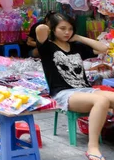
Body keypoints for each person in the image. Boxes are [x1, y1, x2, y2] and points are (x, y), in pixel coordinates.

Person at [35, 13, 111, 160]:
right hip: (64, 93)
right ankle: (92, 147)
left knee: (110, 98)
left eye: (70, 29)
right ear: (53, 29)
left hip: (86, 90)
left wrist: (79, 37)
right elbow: (40, 29)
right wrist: (49, 22)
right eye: (62, 28)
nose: (67, 32)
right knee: (102, 101)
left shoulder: (76, 47)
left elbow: (103, 48)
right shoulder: (47, 47)